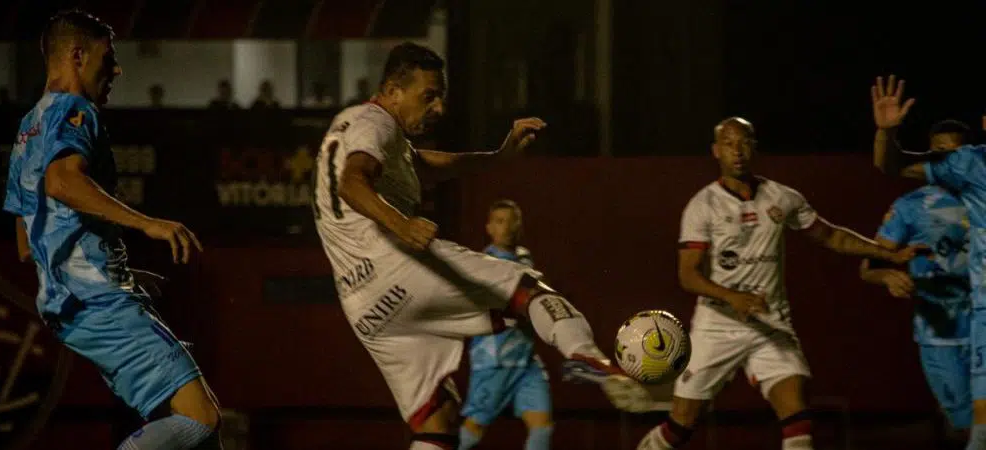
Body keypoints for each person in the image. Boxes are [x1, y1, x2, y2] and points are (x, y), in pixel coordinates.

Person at [311, 42, 649, 450]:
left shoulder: (359, 126)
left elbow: (423, 167)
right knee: (527, 288)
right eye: (429, 95)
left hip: (363, 306)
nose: (439, 107)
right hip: (397, 266)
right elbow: (352, 181)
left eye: (441, 96)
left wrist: (498, 156)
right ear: (392, 91)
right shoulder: (375, 122)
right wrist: (401, 225)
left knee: (437, 420)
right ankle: (585, 356)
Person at [2, 10, 221, 449]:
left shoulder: (28, 128)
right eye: (109, 57)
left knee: (194, 437)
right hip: (100, 300)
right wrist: (149, 225)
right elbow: (62, 181)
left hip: (69, 304)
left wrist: (114, 268)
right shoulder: (74, 109)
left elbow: (26, 244)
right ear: (78, 56)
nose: (117, 69)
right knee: (202, 419)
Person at [636, 117, 919, 450]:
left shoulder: (782, 197)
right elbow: (688, 276)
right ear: (716, 151)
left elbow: (830, 236)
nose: (737, 151)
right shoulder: (703, 206)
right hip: (717, 327)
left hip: (770, 324)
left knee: (797, 413)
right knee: (681, 423)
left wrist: (887, 253)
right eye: (728, 144)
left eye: (743, 142)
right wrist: (733, 297)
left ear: (754, 147)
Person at [871, 74, 986, 450]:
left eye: (951, 153)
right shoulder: (921, 199)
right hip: (944, 327)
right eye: (939, 153)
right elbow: (869, 262)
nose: (947, 161)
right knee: (967, 425)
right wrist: (887, 271)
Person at [459, 200, 552, 450]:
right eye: (500, 221)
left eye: (512, 220)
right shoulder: (484, 261)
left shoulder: (525, 257)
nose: (507, 227)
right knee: (473, 429)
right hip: (494, 360)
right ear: (489, 227)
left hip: (527, 360)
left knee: (542, 426)